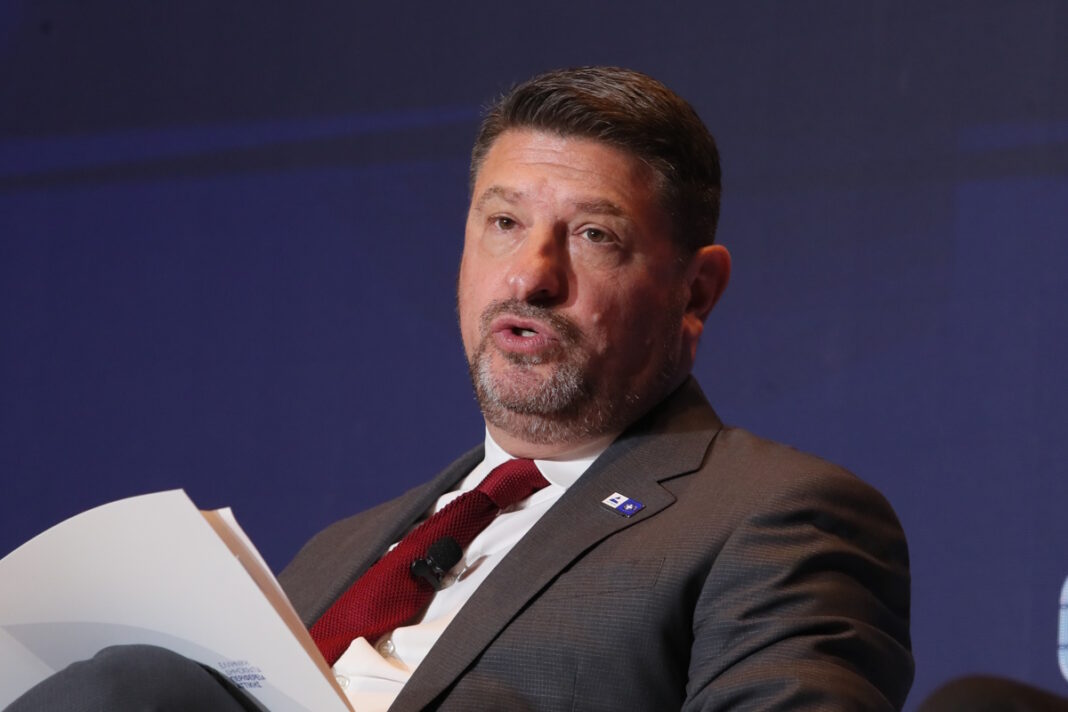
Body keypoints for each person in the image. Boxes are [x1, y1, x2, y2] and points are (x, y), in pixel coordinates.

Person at [7, 66, 913, 711]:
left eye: (593, 235)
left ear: (696, 291)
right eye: (503, 223)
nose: (530, 276)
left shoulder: (773, 515)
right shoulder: (341, 551)